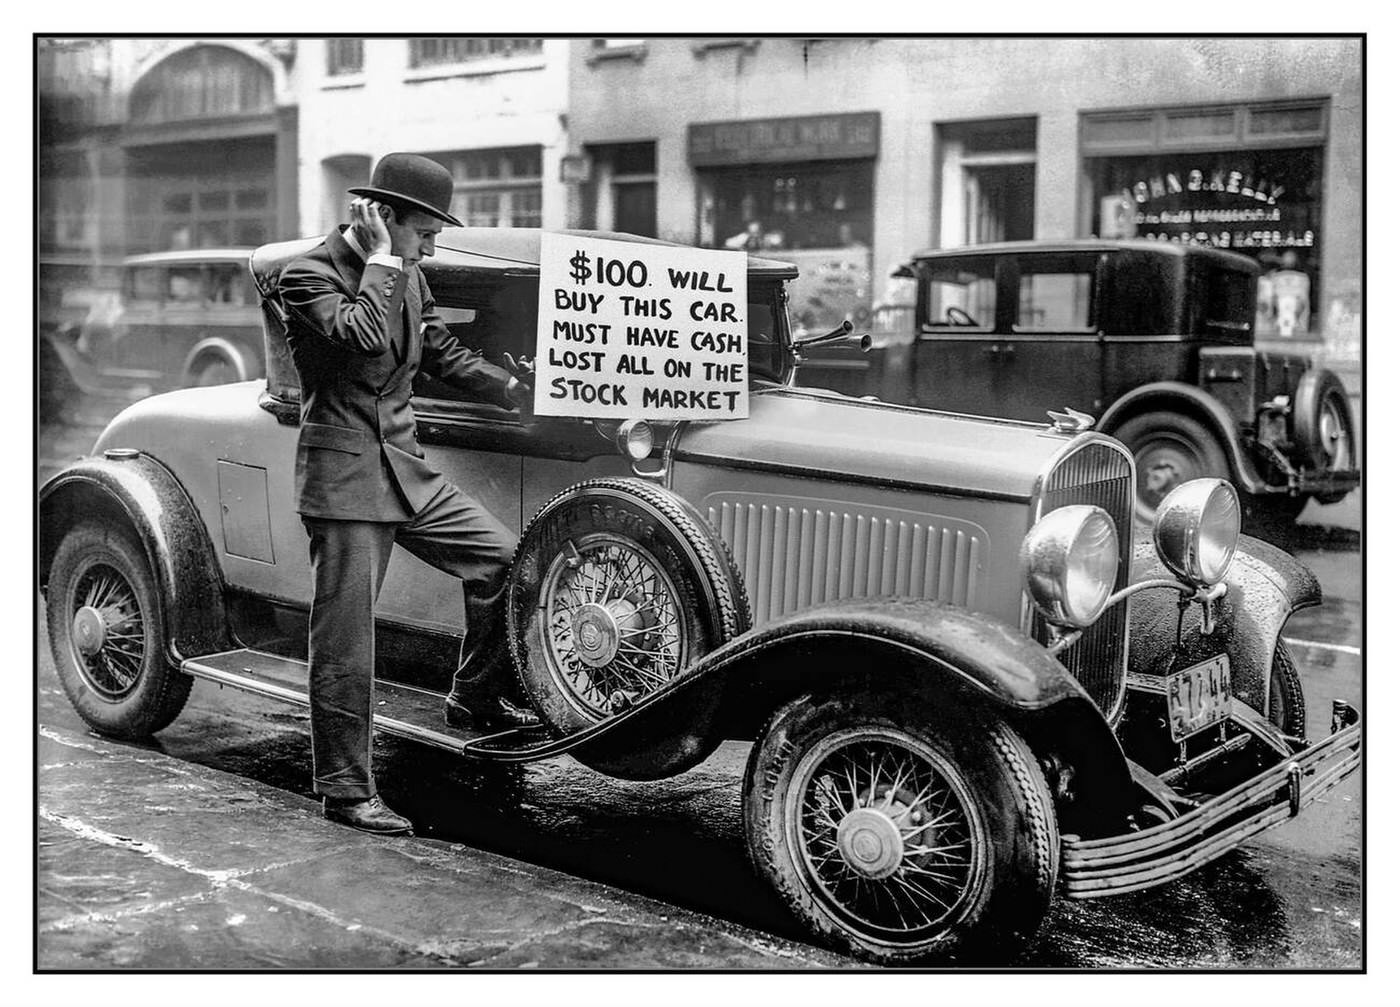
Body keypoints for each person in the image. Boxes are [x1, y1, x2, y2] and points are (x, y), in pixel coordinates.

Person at [278, 152, 539, 836]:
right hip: (345, 481)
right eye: (425, 230)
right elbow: (362, 337)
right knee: (346, 643)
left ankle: (473, 695)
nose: (432, 245)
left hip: (404, 467)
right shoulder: (305, 275)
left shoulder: (409, 274)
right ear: (383, 217)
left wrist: (508, 384)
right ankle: (345, 790)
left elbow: (437, 348)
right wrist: (383, 264)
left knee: (506, 561)